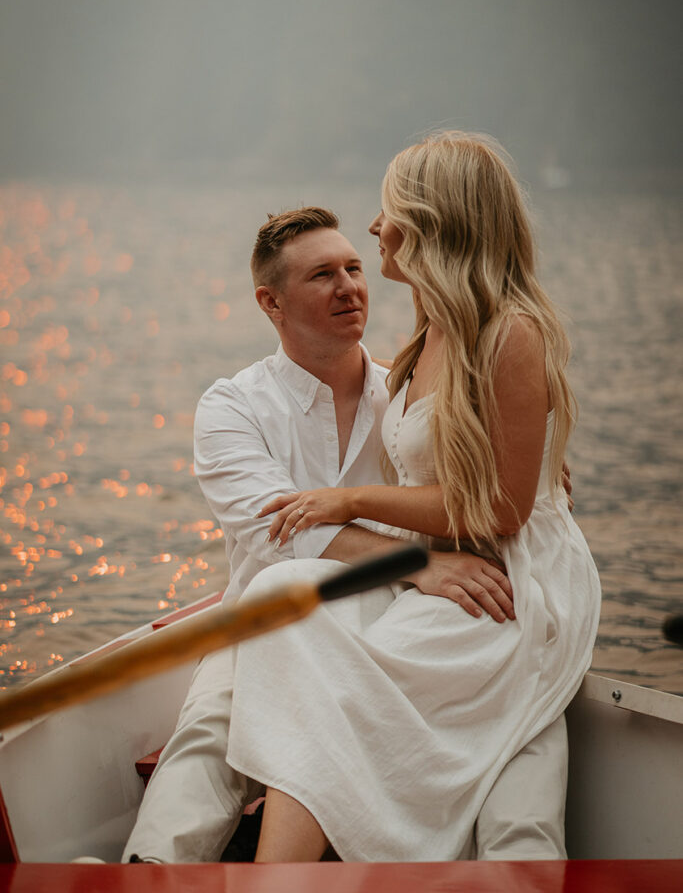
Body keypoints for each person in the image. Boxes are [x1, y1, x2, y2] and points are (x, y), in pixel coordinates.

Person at [122, 202, 573, 863]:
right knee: (213, 722)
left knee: (518, 720)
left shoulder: (412, 399)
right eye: (322, 276)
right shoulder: (233, 408)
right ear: (270, 302)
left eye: (354, 268)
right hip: (273, 624)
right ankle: (148, 875)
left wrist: (532, 456)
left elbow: (490, 483)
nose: (349, 287)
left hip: (403, 619)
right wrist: (413, 562)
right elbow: (285, 535)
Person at [223, 133, 601, 862]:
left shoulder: (510, 333)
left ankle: (281, 872)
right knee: (282, 598)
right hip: (450, 560)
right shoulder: (432, 331)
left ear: (433, 222)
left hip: (514, 582)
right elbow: (457, 467)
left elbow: (501, 512)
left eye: (390, 209)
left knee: (339, 693)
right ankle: (288, 867)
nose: (375, 226)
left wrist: (343, 500)